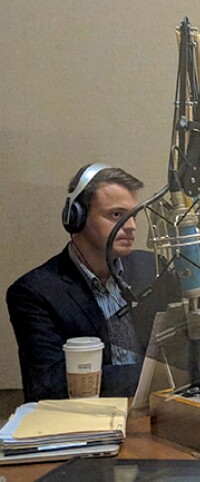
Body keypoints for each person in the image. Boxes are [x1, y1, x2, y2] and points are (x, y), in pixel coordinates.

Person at [7, 163, 174, 402]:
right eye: (117, 215)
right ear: (76, 217)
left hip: (157, 409)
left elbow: (182, 349)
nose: (131, 226)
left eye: (134, 215)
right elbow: (50, 384)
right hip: (87, 419)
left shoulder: (153, 269)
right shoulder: (35, 292)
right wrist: (155, 375)